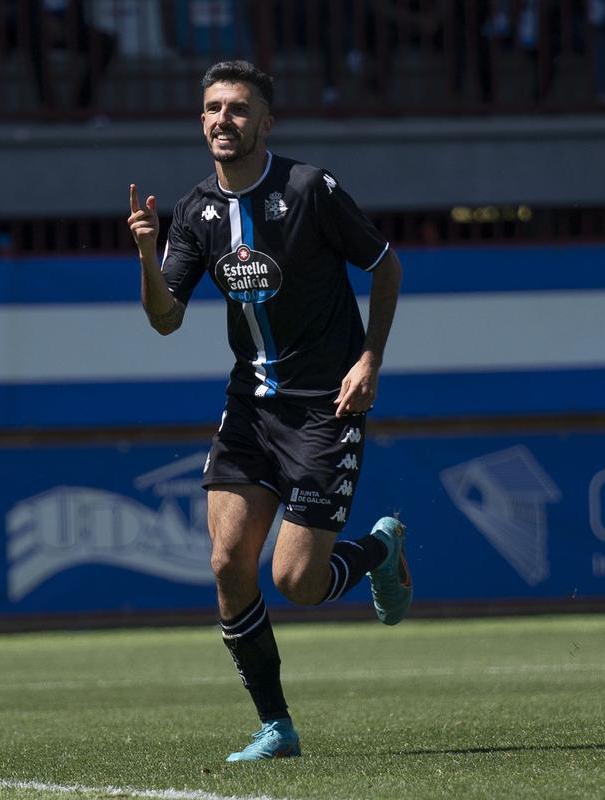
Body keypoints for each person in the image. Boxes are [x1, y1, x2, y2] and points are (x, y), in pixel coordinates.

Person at [126, 59, 411, 762]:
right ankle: (276, 726)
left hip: (325, 409)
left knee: (297, 583)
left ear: (266, 122)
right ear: (201, 121)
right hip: (251, 407)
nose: (225, 120)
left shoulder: (310, 190)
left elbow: (386, 267)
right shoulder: (195, 213)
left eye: (239, 109)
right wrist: (143, 251)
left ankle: (379, 550)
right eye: (214, 109)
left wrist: (369, 359)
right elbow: (165, 320)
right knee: (228, 563)